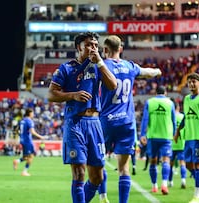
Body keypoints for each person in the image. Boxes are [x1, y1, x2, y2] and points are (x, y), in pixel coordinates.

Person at [47, 32, 117, 203]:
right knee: (79, 173)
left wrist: (99, 62)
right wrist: (73, 95)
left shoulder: (98, 66)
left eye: (95, 44)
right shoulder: (66, 68)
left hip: (95, 123)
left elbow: (113, 85)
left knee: (97, 177)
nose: (93, 47)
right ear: (78, 47)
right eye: (89, 44)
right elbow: (51, 95)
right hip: (75, 123)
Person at [99, 35, 161, 203]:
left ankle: (103, 197)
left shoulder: (102, 66)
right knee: (124, 168)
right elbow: (148, 73)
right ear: (121, 49)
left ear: (105, 50)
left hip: (106, 121)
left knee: (99, 162)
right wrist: (157, 71)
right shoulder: (129, 66)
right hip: (126, 122)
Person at [174, 73, 199, 203]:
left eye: (194, 82)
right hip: (188, 136)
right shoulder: (186, 99)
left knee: (198, 165)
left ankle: (196, 197)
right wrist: (178, 131)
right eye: (189, 82)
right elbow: (186, 117)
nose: (191, 84)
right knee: (188, 164)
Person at [140, 85, 176, 195]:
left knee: (153, 161)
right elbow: (173, 120)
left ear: (155, 93)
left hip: (152, 136)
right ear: (165, 93)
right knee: (166, 160)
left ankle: (154, 185)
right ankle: (164, 184)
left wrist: (142, 134)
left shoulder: (149, 102)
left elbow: (145, 119)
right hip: (166, 136)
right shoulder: (170, 103)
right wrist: (174, 133)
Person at [13, 108, 47, 176]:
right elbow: (32, 132)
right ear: (30, 113)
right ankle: (24, 171)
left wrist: (21, 136)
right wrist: (41, 137)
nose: (33, 114)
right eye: (33, 113)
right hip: (27, 141)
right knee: (31, 156)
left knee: (26, 156)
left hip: (22, 140)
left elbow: (17, 130)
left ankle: (17, 161)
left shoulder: (22, 120)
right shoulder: (29, 121)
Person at [168, 100, 187, 189]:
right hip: (182, 143)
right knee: (182, 163)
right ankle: (183, 180)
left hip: (171, 143)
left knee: (170, 164)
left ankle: (170, 182)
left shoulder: (170, 117)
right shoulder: (183, 117)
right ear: (178, 107)